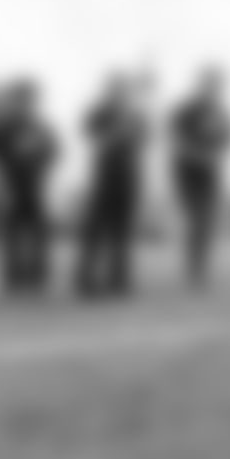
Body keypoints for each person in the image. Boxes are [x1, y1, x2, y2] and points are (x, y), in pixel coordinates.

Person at [75, 73, 150, 300]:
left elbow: (143, 140)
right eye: (115, 89)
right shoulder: (98, 113)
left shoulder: (136, 115)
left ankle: (118, 279)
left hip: (129, 176)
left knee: (123, 231)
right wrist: (117, 130)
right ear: (108, 90)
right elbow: (97, 140)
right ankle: (86, 279)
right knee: (94, 230)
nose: (120, 93)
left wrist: (130, 127)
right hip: (104, 176)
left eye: (123, 89)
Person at [0, 79, 58, 297]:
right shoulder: (2, 127)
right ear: (15, 100)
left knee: (39, 233)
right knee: (11, 234)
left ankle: (38, 277)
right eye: (21, 98)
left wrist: (37, 156)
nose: (25, 103)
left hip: (35, 187)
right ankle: (13, 278)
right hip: (10, 187)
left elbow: (53, 151)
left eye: (29, 99)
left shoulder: (41, 127)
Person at [169, 67, 230, 290]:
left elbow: (229, 138)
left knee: (207, 220)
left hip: (210, 170)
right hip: (187, 170)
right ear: (202, 85)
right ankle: (194, 270)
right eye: (211, 84)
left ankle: (200, 269)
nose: (215, 89)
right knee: (197, 219)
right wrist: (199, 154)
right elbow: (177, 139)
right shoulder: (187, 110)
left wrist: (216, 152)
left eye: (218, 85)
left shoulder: (221, 112)